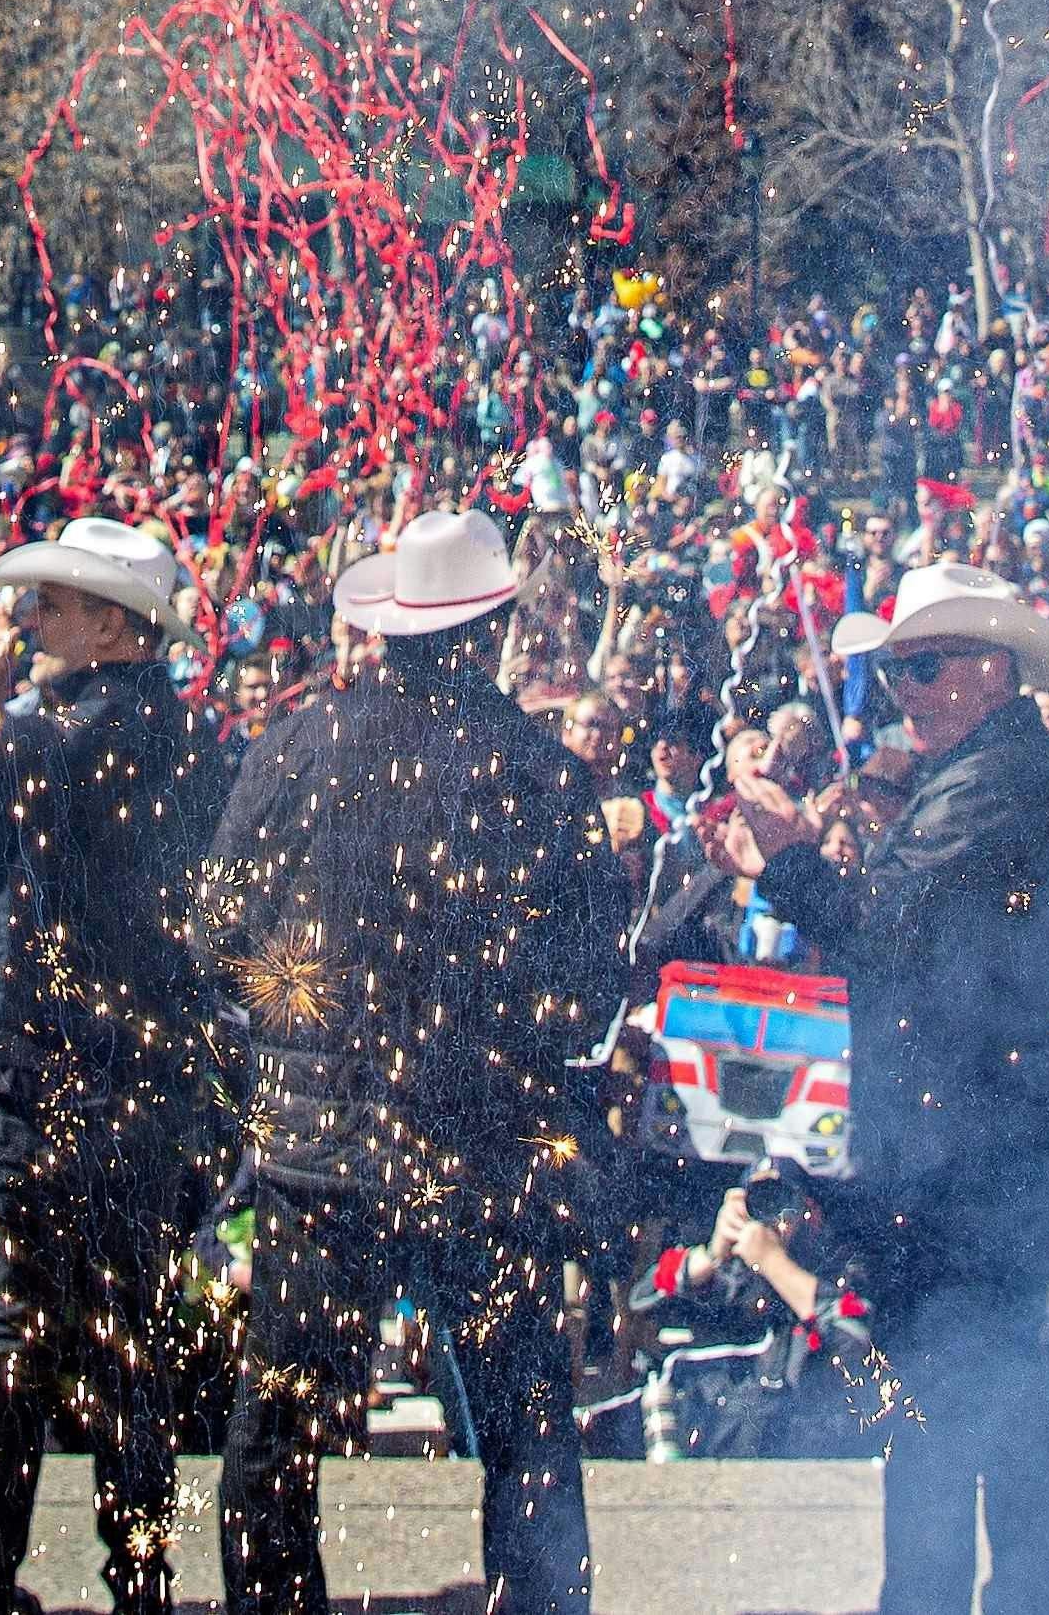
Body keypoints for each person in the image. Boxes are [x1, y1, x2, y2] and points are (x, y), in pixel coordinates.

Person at [199, 510, 628, 1615]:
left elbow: (216, 935)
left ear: (385, 627)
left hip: (320, 1146)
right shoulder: (544, 772)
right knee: (523, 1415)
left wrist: (305, 1026)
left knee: (279, 1413)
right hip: (482, 1146)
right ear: (492, 628)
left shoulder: (297, 745)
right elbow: (587, 993)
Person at [706, 560, 1049, 1615]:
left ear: (989, 667)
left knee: (939, 1405)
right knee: (990, 1399)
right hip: (989, 1143)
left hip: (978, 1156)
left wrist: (789, 860)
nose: (905, 693)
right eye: (893, 675)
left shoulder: (992, 781)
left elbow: (884, 929)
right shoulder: (993, 769)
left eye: (922, 669)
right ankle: (1009, 1596)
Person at [0, 518, 227, 1615]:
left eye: (52, 603)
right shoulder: (188, 737)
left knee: (12, 1358)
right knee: (129, 1356)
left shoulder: (67, 733)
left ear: (112, 625)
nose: (26, 616)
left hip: (35, 1098)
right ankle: (142, 1583)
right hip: (142, 1099)